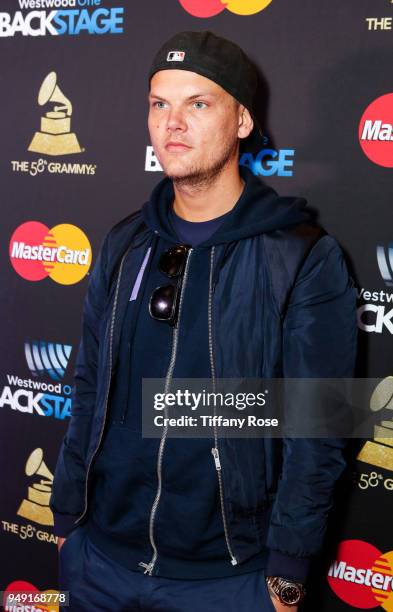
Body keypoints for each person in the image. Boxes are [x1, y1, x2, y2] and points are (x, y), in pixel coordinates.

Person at [50, 31, 357, 611]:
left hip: (229, 580)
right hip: (98, 564)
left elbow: (319, 429)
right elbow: (87, 386)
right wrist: (68, 519)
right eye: (160, 104)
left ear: (241, 120)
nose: (173, 124)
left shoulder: (302, 257)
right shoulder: (123, 242)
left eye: (199, 103)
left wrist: (287, 572)